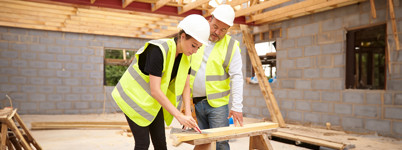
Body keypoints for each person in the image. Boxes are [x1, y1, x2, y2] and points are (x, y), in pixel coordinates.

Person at [111, 14, 210, 150]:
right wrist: (178, 115)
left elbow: (186, 85)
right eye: (193, 45)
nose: (194, 51)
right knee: (142, 144)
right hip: (133, 98)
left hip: (152, 101)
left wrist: (187, 113)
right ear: (182, 36)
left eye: (198, 48)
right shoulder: (158, 50)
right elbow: (155, 90)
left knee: (161, 145)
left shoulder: (187, 56)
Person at [190, 5, 243, 150]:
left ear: (228, 30)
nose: (217, 32)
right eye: (215, 27)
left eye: (223, 30)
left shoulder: (232, 46)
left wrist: (237, 106)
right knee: (201, 143)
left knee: (220, 143)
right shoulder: (196, 38)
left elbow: (237, 77)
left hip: (218, 106)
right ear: (209, 20)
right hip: (195, 103)